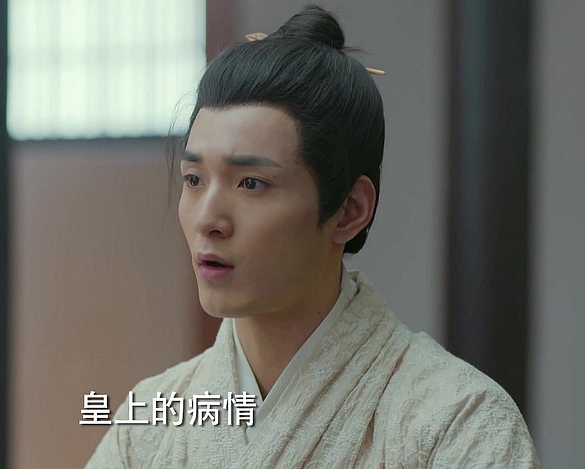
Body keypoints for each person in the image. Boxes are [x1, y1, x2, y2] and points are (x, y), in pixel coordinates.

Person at [86, 5, 539, 468]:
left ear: (350, 210)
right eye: (194, 179)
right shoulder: (146, 428)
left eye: (251, 183)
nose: (208, 220)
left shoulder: (458, 423)